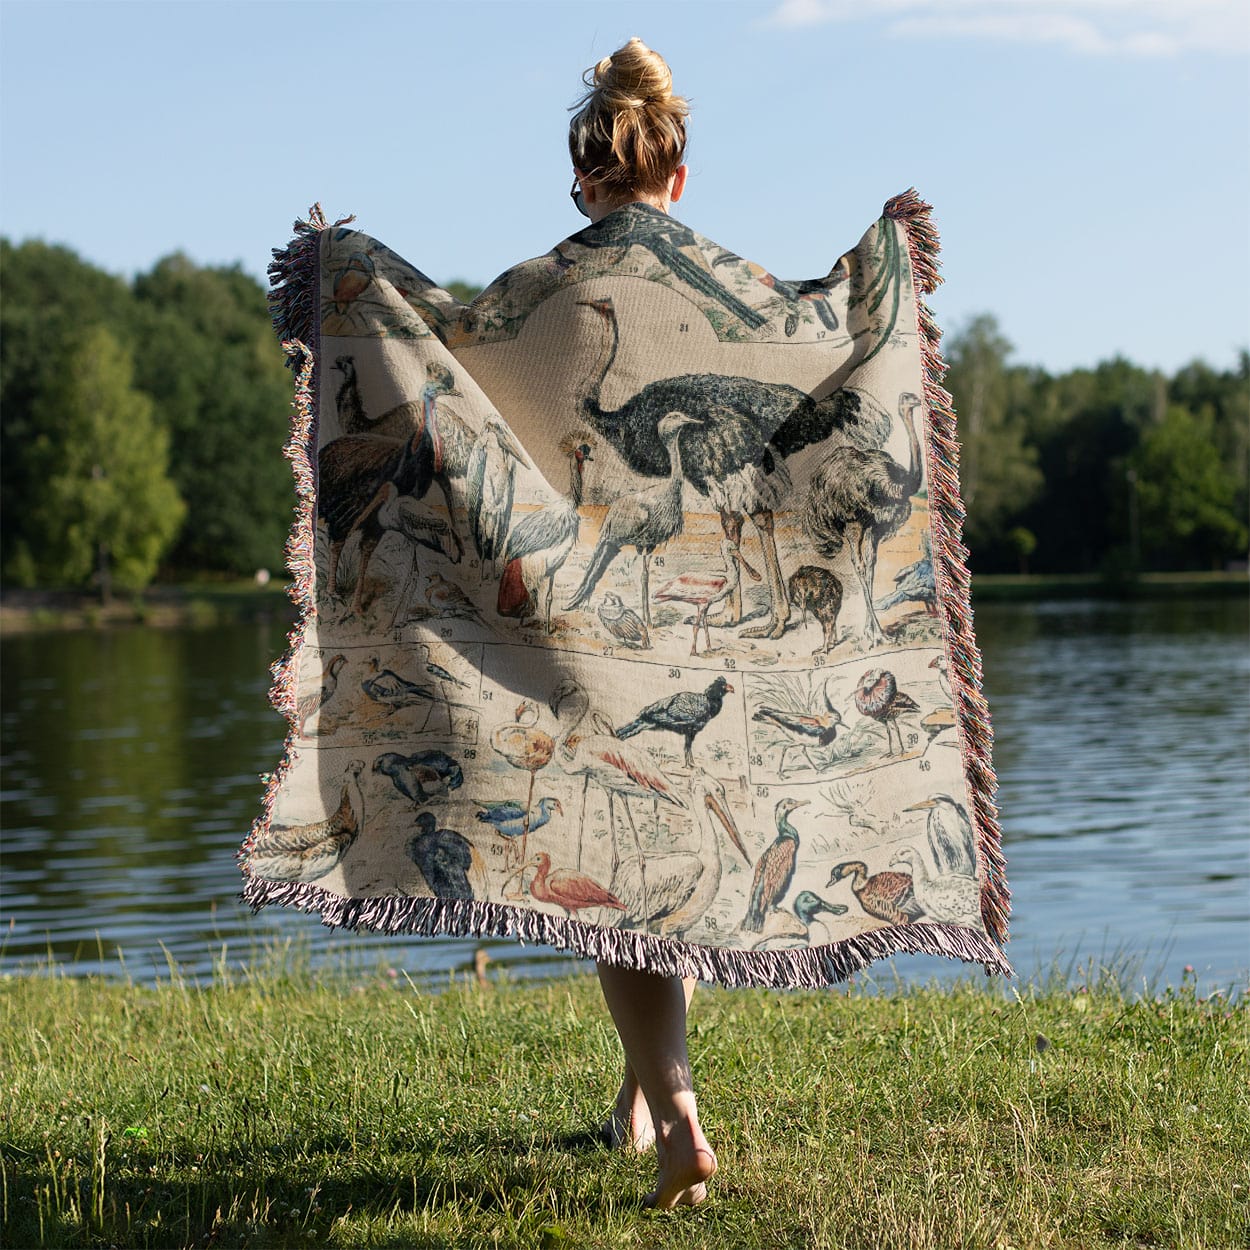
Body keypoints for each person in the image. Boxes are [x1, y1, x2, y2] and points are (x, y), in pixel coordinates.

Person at [565, 37, 716, 1212]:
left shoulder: (545, 295)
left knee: (617, 879)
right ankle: (633, 1099)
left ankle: (677, 1119)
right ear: (676, 173)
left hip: (590, 626)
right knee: (668, 865)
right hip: (707, 622)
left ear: (583, 181)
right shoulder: (725, 292)